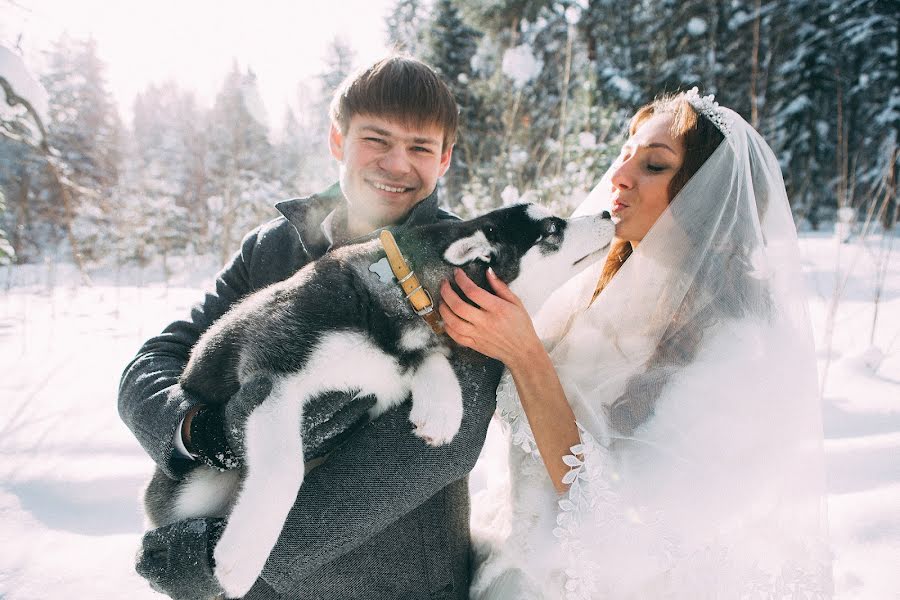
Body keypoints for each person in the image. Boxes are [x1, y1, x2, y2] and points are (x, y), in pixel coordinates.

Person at [119, 55, 505, 600]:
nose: (397, 164)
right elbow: (160, 357)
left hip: (395, 584)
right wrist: (195, 433)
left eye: (420, 147)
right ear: (337, 139)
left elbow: (438, 444)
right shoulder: (271, 248)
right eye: (377, 139)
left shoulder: (464, 261)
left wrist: (227, 553)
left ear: (444, 159)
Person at [440, 89, 833, 598]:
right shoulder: (584, 289)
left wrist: (524, 354)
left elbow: (629, 529)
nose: (619, 177)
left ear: (708, 193)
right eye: (624, 156)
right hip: (499, 564)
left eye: (654, 165)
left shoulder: (741, 347)